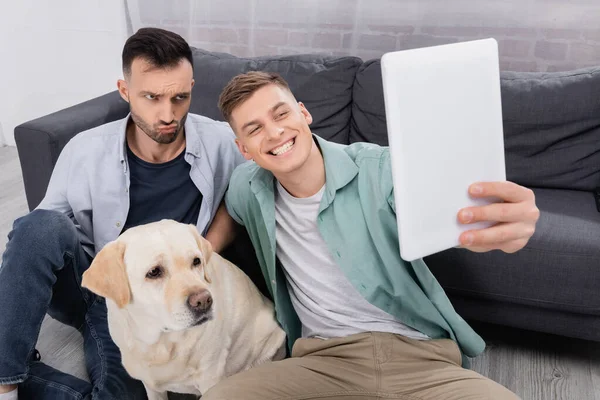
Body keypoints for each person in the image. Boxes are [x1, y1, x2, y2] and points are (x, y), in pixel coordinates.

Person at [201, 71, 539, 399]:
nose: (274, 133)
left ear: (303, 113)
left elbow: (455, 207)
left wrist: (506, 226)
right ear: (243, 148)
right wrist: (201, 254)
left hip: (421, 357)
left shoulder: (384, 170)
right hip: (321, 361)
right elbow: (231, 210)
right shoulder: (248, 185)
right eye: (255, 129)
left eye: (281, 114)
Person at [0, 27, 243, 400]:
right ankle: (5, 380)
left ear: (192, 85)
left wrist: (205, 254)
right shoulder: (85, 151)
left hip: (160, 298)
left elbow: (248, 193)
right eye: (152, 97)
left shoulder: (221, 142)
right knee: (39, 225)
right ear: (125, 90)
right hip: (95, 285)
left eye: (180, 97)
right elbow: (37, 239)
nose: (168, 114)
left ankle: (19, 368)